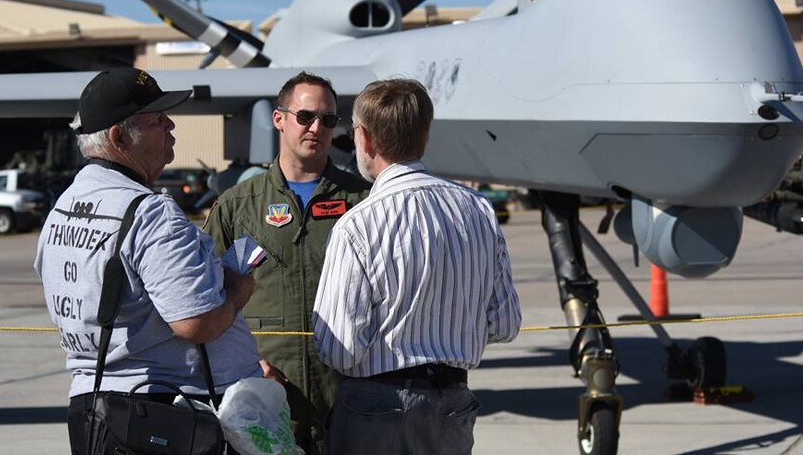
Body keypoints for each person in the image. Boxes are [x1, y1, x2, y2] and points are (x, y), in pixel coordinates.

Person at [34, 67, 261, 455]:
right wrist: (237, 289)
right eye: (157, 119)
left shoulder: (64, 208)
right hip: (163, 418)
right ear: (119, 137)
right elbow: (197, 323)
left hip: (99, 413)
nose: (171, 125)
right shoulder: (149, 213)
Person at [312, 78, 522, 455]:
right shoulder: (478, 210)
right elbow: (505, 324)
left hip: (377, 407)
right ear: (424, 136)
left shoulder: (358, 225)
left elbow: (339, 349)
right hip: (451, 404)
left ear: (365, 139)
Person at [204, 71, 369, 455]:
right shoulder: (239, 206)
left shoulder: (363, 202)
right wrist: (247, 364)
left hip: (346, 392)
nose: (317, 128)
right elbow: (204, 298)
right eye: (305, 116)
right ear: (278, 119)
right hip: (266, 396)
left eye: (328, 120)